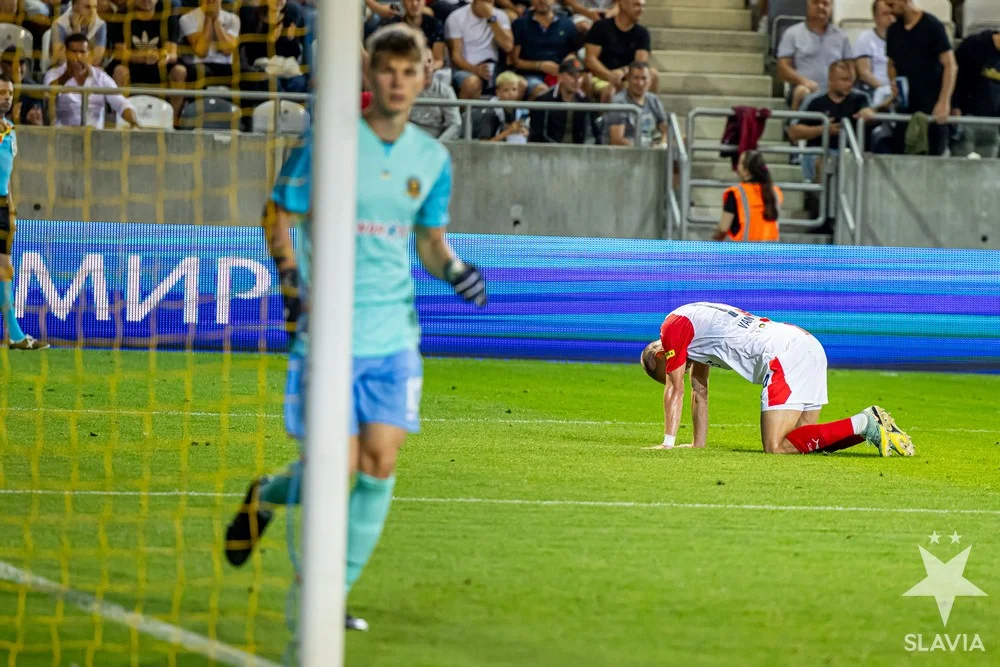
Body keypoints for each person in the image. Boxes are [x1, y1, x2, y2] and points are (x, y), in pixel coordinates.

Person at [224, 23, 488, 631]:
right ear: (370, 73)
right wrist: (291, 282)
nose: (397, 81)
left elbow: (429, 242)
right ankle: (273, 507)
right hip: (328, 333)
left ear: (424, 78)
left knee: (379, 464)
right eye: (387, 70)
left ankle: (327, 591)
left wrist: (455, 270)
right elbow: (278, 214)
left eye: (409, 71)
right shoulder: (329, 143)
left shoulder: (432, 159)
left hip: (393, 334)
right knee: (332, 469)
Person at [640, 302, 915, 456]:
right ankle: (871, 428)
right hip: (806, 344)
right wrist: (698, 444)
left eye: (668, 370)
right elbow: (699, 389)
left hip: (784, 355)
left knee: (776, 446)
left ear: (662, 353)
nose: (679, 371)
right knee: (801, 444)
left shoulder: (673, 327)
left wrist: (667, 442)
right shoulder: (695, 328)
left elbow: (676, 389)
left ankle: (865, 421)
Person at [0, 74, 48, 350]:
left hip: (2, 207)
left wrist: (11, 208)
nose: (6, 97)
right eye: (1, 92)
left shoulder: (10, 129)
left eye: (9, 92)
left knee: (5, 269)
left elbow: (6, 174)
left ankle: (15, 335)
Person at [885, 0, 956, 156]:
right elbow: (891, 64)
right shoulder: (893, 31)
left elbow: (950, 65)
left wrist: (944, 101)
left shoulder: (933, 26)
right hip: (905, 107)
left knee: (934, 156)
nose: (890, 10)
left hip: (932, 106)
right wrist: (893, 82)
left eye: (891, 5)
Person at [789, 60, 876, 183]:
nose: (849, 84)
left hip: (850, 155)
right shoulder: (815, 101)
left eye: (851, 80)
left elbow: (870, 114)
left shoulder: (861, 99)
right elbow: (794, 132)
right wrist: (824, 129)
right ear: (831, 80)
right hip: (820, 154)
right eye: (844, 80)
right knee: (823, 162)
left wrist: (868, 113)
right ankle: (822, 194)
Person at [107, 0, 188, 120]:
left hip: (159, 66)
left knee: (180, 71)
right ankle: (121, 119)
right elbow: (121, 53)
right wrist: (144, 57)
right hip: (131, 65)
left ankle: (173, 120)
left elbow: (172, 53)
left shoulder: (168, 14)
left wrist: (164, 56)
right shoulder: (122, 14)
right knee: (120, 71)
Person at [44, 33, 140, 128]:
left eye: (82, 52)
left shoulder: (101, 77)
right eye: (73, 52)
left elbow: (121, 104)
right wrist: (67, 75)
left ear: (89, 54)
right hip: (62, 134)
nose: (78, 56)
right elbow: (47, 96)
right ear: (66, 53)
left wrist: (134, 122)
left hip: (94, 134)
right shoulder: (53, 74)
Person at [776, 0, 853, 111]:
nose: (821, 6)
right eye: (816, 2)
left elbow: (850, 68)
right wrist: (804, 81)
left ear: (831, 7)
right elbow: (782, 68)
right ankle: (794, 121)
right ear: (808, 4)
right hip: (806, 89)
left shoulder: (841, 36)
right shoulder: (792, 33)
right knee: (802, 91)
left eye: (825, 3)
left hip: (834, 92)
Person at [584, 0, 654, 103]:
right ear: (623, 4)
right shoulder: (600, 27)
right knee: (609, 91)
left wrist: (623, 72)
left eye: (643, 6)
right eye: (637, 5)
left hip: (629, 77)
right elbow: (590, 60)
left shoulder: (642, 33)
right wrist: (610, 76)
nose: (641, 10)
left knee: (653, 75)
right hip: (601, 76)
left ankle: (649, 110)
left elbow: (640, 64)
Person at [511, 0, 580, 99]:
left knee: (581, 81)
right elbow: (515, 61)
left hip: (561, 73)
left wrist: (566, 64)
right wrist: (540, 66)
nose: (542, 1)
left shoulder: (567, 23)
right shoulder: (520, 24)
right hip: (530, 74)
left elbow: (573, 53)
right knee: (542, 90)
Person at [445, 0, 514, 99]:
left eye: (490, 2)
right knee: (472, 82)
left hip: (493, 68)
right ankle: (461, 109)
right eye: (485, 2)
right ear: (475, 2)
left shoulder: (500, 16)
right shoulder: (456, 17)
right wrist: (476, 70)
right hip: (466, 68)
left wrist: (491, 18)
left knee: (515, 85)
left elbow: (508, 46)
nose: (488, 6)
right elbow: (456, 57)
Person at [712, 150, 783, 242]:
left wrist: (714, 237)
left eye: (739, 163)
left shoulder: (736, 193)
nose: (737, 167)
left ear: (746, 172)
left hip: (742, 250)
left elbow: (723, 228)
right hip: (771, 250)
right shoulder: (775, 192)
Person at [950, 29, 1000, 158]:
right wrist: (955, 105)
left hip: (993, 123)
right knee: (960, 163)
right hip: (966, 117)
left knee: (988, 167)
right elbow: (953, 76)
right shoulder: (974, 45)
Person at [528, 55, 599, 143]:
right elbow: (539, 135)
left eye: (580, 76)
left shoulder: (586, 102)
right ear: (560, 77)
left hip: (579, 150)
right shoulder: (543, 100)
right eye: (572, 76)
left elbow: (592, 134)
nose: (577, 81)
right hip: (549, 150)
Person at [179, 0, 240, 87]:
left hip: (225, 65)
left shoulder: (233, 19)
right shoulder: (187, 18)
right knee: (200, 72)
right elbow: (201, 52)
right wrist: (208, 17)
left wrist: (216, 20)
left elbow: (227, 51)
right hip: (199, 64)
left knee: (246, 74)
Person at [604, 60, 665, 147]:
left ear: (650, 80)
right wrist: (644, 150)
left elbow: (665, 129)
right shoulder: (619, 102)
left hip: (652, 146)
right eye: (636, 78)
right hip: (628, 150)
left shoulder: (653, 100)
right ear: (628, 78)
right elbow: (616, 140)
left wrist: (662, 144)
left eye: (644, 78)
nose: (640, 83)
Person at [410, 46, 462, 140]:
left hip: (438, 141)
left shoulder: (446, 91)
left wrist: (437, 144)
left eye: (429, 61)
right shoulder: (404, 90)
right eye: (421, 62)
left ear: (434, 64)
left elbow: (455, 124)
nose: (426, 65)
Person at [854, 0, 896, 108]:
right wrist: (886, 88)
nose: (891, 18)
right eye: (885, 14)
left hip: (897, 88)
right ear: (876, 17)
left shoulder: (903, 39)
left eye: (893, 14)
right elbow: (864, 73)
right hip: (875, 90)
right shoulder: (865, 38)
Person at [52, 0, 108, 67]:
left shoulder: (100, 25)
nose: (92, 12)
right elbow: (59, 60)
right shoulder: (59, 24)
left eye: (95, 7)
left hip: (90, 68)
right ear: (74, 8)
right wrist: (76, 34)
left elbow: (97, 59)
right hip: (64, 69)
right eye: (87, 7)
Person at [479, 70, 529, 141]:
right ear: (498, 92)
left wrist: (525, 132)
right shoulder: (490, 112)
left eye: (514, 89)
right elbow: (484, 144)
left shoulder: (522, 111)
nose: (511, 93)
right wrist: (508, 131)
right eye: (506, 90)